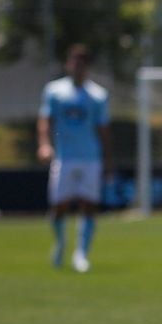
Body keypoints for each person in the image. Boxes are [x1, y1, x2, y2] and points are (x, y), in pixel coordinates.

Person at [38, 44, 111, 273]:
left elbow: (103, 129)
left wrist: (108, 159)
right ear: (68, 64)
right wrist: (44, 144)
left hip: (90, 158)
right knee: (59, 207)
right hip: (64, 157)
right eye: (74, 62)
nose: (78, 67)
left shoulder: (98, 95)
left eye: (82, 63)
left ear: (87, 67)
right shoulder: (54, 91)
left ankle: (81, 254)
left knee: (88, 206)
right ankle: (60, 244)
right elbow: (45, 121)